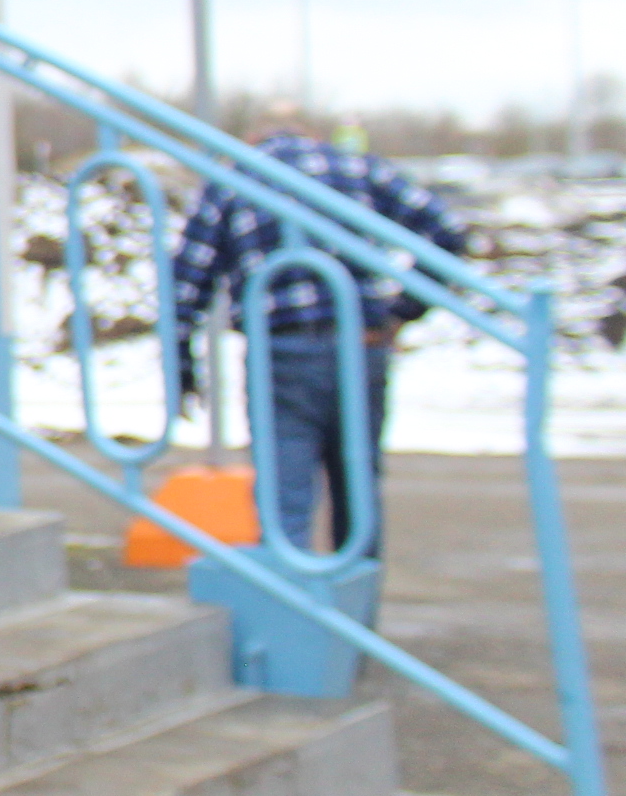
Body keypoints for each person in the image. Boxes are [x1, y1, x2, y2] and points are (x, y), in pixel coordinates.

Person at [168, 120, 471, 556]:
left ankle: (290, 588)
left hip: (280, 349)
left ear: (253, 141)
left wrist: (182, 364)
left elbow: (186, 281)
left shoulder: (233, 178)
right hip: (360, 342)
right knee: (357, 488)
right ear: (311, 137)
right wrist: (402, 310)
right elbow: (447, 230)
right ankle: (357, 591)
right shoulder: (358, 168)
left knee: (284, 494)